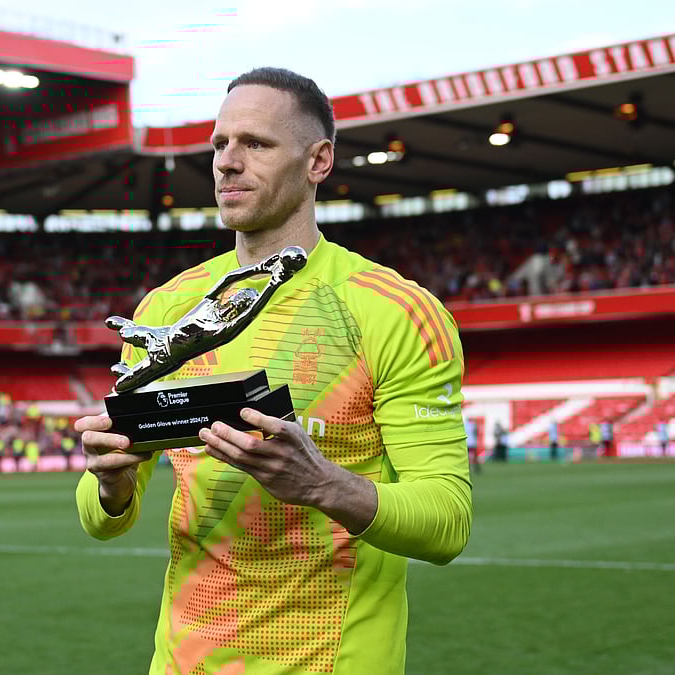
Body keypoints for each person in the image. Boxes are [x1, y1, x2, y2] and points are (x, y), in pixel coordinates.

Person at [74, 67, 472, 674]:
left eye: (256, 143)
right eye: (220, 144)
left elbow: (447, 522)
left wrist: (323, 484)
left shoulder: (392, 309)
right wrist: (111, 484)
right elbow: (101, 519)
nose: (227, 163)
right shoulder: (166, 312)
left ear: (318, 161)